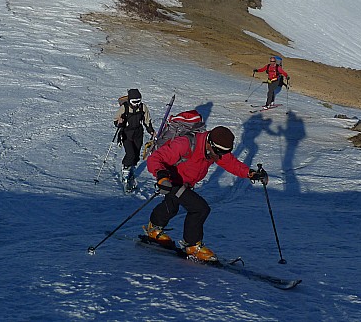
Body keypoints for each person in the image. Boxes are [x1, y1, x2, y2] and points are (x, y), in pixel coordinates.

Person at [143, 125, 268, 261]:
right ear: (209, 142)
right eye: (218, 151)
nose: (220, 155)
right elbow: (155, 158)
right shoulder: (185, 144)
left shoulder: (215, 151)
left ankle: (153, 228)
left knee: (171, 206)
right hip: (171, 180)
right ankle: (191, 246)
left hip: (185, 182)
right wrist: (161, 176)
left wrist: (250, 173)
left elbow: (230, 162)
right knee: (199, 209)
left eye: (223, 152)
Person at [113, 89, 155, 184]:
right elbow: (116, 119)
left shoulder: (143, 107)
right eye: (134, 102)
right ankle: (125, 169)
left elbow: (147, 120)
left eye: (138, 101)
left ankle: (131, 167)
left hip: (138, 133)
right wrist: (118, 122)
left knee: (136, 155)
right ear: (130, 100)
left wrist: (151, 131)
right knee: (130, 154)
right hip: (126, 133)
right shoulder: (125, 108)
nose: (137, 104)